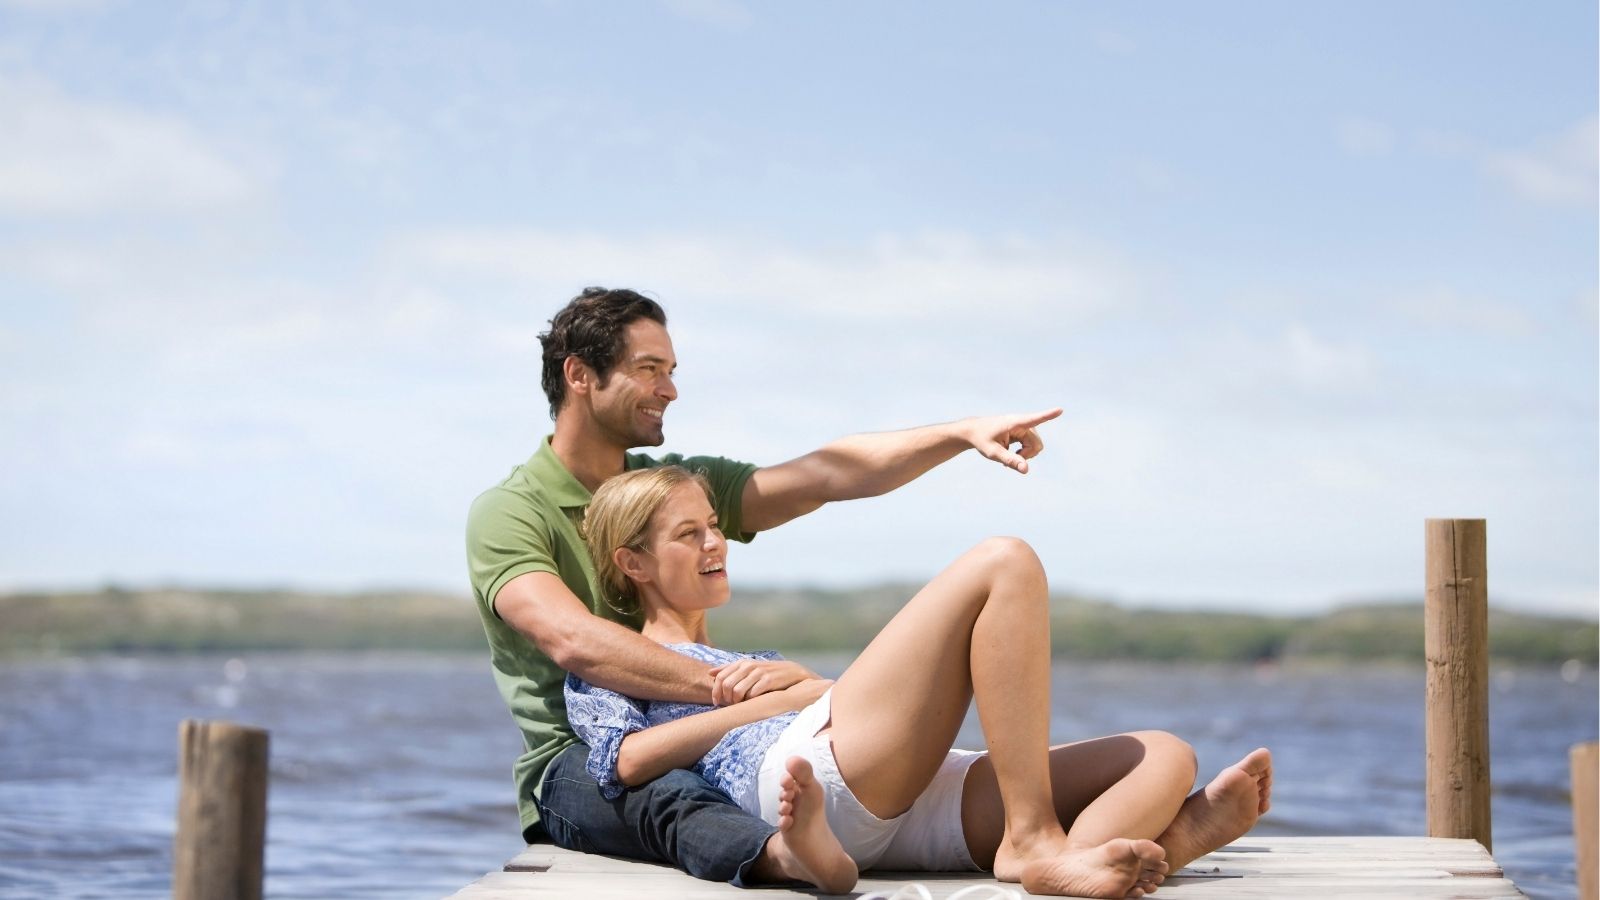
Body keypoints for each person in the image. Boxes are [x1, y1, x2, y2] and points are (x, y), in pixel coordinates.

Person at [465, 286, 1075, 888]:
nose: (670, 389)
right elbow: (575, 641)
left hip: (692, 732)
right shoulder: (511, 511)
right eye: (648, 369)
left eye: (671, 370)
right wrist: (752, 691)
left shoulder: (671, 489)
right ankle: (782, 858)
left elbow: (824, 476)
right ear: (579, 374)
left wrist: (960, 434)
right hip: (574, 759)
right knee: (668, 794)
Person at [566, 465, 1275, 898]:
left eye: (714, 526)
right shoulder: (611, 662)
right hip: (809, 784)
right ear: (634, 564)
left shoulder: (754, 657)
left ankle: (1140, 853)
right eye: (689, 535)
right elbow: (623, 764)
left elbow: (832, 703)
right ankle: (1034, 840)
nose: (715, 543)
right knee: (1005, 561)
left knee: (1163, 753)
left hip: (902, 802)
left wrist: (805, 683)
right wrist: (792, 696)